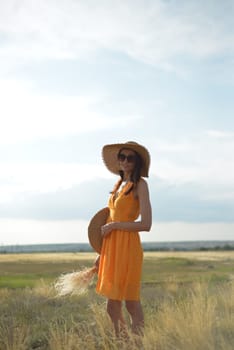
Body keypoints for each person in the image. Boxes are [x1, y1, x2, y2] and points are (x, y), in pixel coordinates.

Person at [95, 141, 152, 338]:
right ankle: (123, 341)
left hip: (128, 248)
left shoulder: (140, 185)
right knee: (112, 306)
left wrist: (115, 226)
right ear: (118, 161)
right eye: (122, 157)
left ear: (137, 162)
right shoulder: (118, 185)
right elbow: (108, 221)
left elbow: (146, 224)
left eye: (131, 158)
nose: (126, 161)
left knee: (131, 303)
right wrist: (101, 253)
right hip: (112, 248)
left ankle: (138, 343)